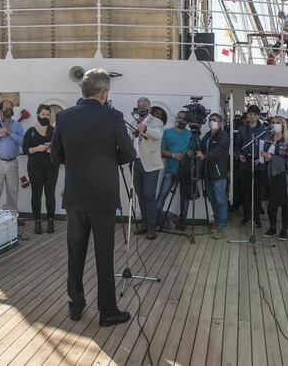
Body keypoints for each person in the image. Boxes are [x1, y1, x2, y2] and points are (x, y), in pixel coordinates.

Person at [50, 68, 134, 327]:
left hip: (75, 198)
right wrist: (110, 161)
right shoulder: (114, 117)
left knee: (75, 254)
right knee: (104, 256)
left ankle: (75, 306)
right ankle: (107, 311)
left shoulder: (64, 117)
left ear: (83, 91)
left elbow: (55, 156)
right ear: (104, 93)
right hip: (104, 199)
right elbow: (129, 154)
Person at [22, 104, 59, 234]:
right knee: (36, 195)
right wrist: (38, 148)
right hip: (35, 168)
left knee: (50, 195)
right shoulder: (30, 131)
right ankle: (37, 222)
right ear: (38, 115)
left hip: (51, 168)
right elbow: (25, 149)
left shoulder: (54, 131)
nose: (46, 117)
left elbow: (60, 147)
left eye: (48, 115)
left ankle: (50, 221)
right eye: (43, 114)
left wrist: (51, 149)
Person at [131, 97, 164, 240]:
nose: (140, 108)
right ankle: (144, 223)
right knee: (140, 194)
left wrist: (144, 128)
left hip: (151, 164)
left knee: (149, 195)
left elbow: (157, 135)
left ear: (149, 108)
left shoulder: (157, 122)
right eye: (138, 105)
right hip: (136, 163)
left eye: (143, 105)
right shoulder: (133, 122)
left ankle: (152, 226)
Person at [155, 110, 192, 229]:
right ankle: (156, 221)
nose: (181, 120)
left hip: (185, 171)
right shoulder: (167, 133)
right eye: (179, 117)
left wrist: (189, 154)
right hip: (170, 170)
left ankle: (182, 221)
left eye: (184, 119)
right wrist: (174, 155)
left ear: (187, 122)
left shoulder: (190, 134)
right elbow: (161, 151)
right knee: (162, 195)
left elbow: (194, 152)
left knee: (184, 197)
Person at [261, 117, 288, 241]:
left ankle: (284, 229)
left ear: (283, 126)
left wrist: (271, 157)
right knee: (271, 204)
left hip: (282, 175)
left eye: (278, 123)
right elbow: (263, 154)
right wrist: (262, 157)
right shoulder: (267, 139)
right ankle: (272, 227)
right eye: (273, 123)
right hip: (269, 175)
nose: (275, 125)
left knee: (285, 204)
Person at [235, 104, 268, 227]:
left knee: (258, 192)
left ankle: (257, 216)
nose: (252, 117)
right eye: (249, 114)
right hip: (245, 164)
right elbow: (237, 146)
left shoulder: (264, 129)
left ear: (259, 116)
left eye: (254, 115)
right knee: (246, 192)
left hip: (259, 164)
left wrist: (260, 159)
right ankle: (247, 215)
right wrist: (239, 155)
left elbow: (267, 147)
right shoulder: (242, 129)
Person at [199, 113, 230, 239]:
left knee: (220, 199)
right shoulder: (206, 136)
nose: (212, 122)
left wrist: (205, 155)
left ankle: (221, 226)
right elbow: (201, 147)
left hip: (219, 174)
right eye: (210, 120)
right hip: (207, 173)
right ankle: (217, 221)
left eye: (215, 120)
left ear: (221, 123)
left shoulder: (223, 135)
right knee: (212, 199)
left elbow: (219, 150)